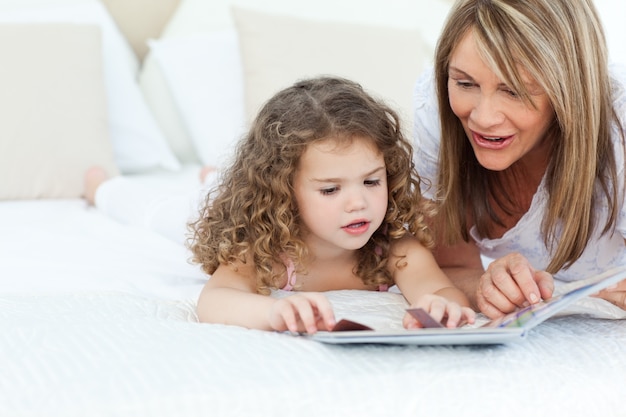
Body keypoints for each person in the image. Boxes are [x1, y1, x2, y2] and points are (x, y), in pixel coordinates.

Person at [188, 76, 475, 334]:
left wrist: (441, 306)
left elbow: (440, 289)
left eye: (371, 182)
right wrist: (272, 312)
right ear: (283, 191)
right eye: (330, 189)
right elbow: (214, 301)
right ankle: (210, 176)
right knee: (209, 189)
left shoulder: (395, 249)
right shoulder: (267, 252)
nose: (358, 203)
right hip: (229, 202)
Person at [412, 0, 626, 319]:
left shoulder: (618, 127)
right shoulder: (437, 106)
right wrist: (488, 284)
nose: (482, 119)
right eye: (465, 83)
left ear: (569, 90)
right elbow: (449, 265)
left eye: (513, 92)